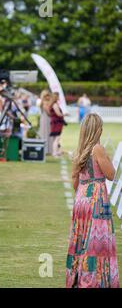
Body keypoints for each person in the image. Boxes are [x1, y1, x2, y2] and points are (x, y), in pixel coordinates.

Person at [66, 113, 119, 288]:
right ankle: (94, 281)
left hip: (81, 196)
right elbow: (111, 175)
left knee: (81, 239)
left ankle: (77, 277)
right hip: (96, 198)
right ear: (98, 130)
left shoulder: (80, 149)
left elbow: (74, 179)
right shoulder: (98, 149)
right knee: (97, 244)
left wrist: (82, 196)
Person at [49, 92, 65, 157]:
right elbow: (58, 114)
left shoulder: (54, 104)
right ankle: (55, 153)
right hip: (56, 123)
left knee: (57, 138)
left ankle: (57, 152)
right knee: (57, 138)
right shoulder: (55, 105)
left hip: (57, 123)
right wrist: (65, 114)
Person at [39, 90, 53, 155]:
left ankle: (49, 149)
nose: (48, 97)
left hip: (47, 119)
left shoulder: (46, 102)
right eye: (46, 95)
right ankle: (46, 150)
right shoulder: (44, 103)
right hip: (46, 119)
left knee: (48, 133)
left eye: (48, 95)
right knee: (45, 133)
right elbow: (48, 112)